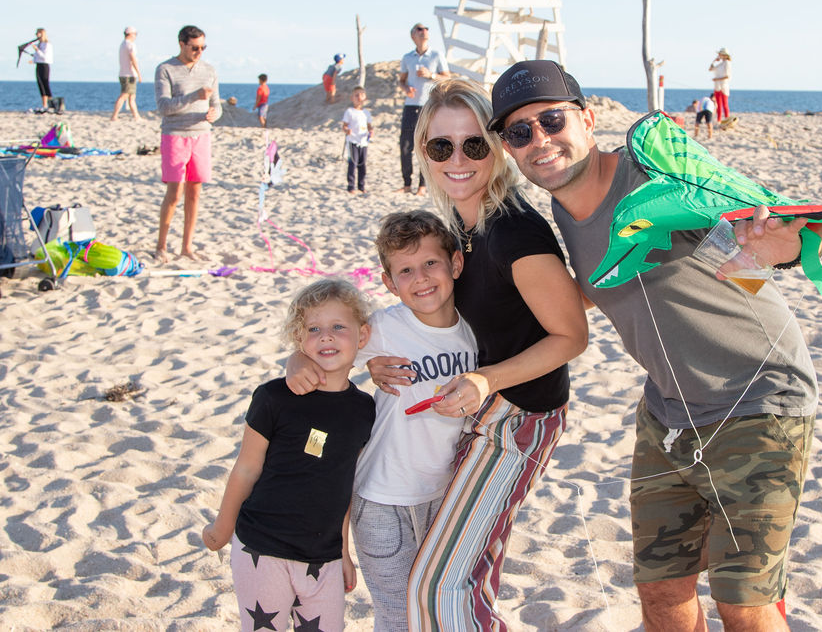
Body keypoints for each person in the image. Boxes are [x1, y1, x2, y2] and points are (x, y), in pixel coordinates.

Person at [487, 59, 819, 631]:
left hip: (759, 401)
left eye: (552, 120)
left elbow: (782, 233)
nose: (540, 140)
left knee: (743, 602)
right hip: (667, 415)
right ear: (509, 150)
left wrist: (779, 241)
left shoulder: (656, 176)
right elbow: (599, 285)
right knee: (662, 596)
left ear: (588, 119)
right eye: (520, 132)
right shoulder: (559, 211)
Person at [288, 78, 588, 628]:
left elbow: (571, 335)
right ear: (422, 149)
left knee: (440, 584)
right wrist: (370, 360)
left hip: (519, 417)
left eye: (474, 144)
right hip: (478, 414)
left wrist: (485, 380)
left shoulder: (513, 230)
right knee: (462, 577)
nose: (457, 159)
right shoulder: (459, 224)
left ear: (496, 148)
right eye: (440, 146)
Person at [201, 278, 375, 632]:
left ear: (363, 336)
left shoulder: (363, 409)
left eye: (338, 327)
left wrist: (343, 551)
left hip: (323, 558)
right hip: (262, 550)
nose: (326, 336)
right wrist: (223, 526)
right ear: (299, 340)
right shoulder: (272, 398)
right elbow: (246, 469)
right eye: (314, 329)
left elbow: (343, 484)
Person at [350, 210, 478, 631]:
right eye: (405, 270)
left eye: (430, 263)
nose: (421, 278)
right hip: (382, 497)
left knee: (435, 608)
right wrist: (303, 361)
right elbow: (323, 345)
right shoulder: (387, 327)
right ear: (389, 283)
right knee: (397, 615)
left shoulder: (474, 332)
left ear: (455, 264)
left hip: (442, 496)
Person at [154, 25, 221, 263]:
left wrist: (215, 113)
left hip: (202, 134)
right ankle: (161, 245)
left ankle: (187, 246)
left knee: (195, 192)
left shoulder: (209, 70)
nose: (199, 52)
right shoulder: (165, 69)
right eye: (194, 47)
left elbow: (216, 104)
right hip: (175, 134)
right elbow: (163, 107)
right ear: (182, 44)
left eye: (203, 47)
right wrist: (194, 96)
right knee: (174, 192)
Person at [397, 23, 450, 195]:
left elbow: (447, 79)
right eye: (420, 29)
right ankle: (406, 184)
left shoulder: (436, 55)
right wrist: (405, 89)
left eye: (426, 28)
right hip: (410, 106)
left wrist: (431, 75)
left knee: (426, 146)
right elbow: (401, 80)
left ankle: (422, 186)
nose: (424, 31)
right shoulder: (407, 57)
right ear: (413, 35)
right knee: (405, 146)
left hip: (430, 106)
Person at [342, 86, 373, 194]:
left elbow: (369, 125)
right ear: (352, 98)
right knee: (352, 163)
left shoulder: (366, 113)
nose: (359, 97)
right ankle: (351, 186)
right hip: (352, 141)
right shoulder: (349, 112)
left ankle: (361, 186)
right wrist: (347, 130)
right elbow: (344, 125)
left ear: (365, 97)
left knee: (362, 164)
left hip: (363, 142)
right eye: (356, 95)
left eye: (362, 94)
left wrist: (371, 131)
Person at [111, 27, 142, 121]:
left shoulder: (123, 44)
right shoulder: (130, 45)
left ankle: (136, 116)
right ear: (131, 34)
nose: (136, 36)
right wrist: (138, 73)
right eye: (135, 34)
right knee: (125, 95)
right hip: (129, 74)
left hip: (124, 73)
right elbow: (133, 59)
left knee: (131, 96)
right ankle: (114, 116)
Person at [30, 28, 53, 111]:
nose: (36, 35)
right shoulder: (40, 44)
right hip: (38, 65)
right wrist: (33, 60)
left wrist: (37, 50)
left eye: (38, 33)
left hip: (45, 65)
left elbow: (44, 57)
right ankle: (44, 104)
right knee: (40, 84)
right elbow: (38, 56)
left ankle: (51, 104)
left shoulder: (47, 44)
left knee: (45, 84)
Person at [709, 48, 732, 122]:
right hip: (717, 85)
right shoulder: (720, 64)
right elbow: (710, 69)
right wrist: (714, 61)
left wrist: (717, 79)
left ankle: (726, 118)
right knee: (718, 104)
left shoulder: (727, 63)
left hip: (723, 85)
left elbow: (727, 76)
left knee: (724, 104)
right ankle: (719, 120)